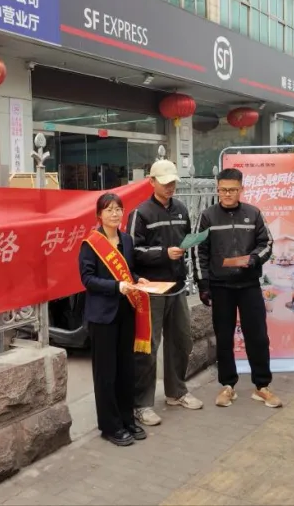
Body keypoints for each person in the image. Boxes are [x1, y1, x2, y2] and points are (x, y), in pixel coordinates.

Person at [195, 167, 282, 409]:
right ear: (217, 189)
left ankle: (262, 386)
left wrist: (253, 259)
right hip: (220, 286)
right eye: (223, 190)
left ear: (241, 189)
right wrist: (203, 284)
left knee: (258, 336)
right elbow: (200, 251)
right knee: (224, 338)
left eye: (232, 190)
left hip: (249, 285)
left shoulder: (253, 214)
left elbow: (267, 243)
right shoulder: (207, 216)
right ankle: (227, 385)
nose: (227, 194)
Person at [128, 159, 202, 427]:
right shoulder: (141, 213)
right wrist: (163, 253)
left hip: (177, 287)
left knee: (181, 342)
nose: (170, 187)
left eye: (173, 183)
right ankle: (141, 404)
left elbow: (187, 241)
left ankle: (176, 392)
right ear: (152, 182)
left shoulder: (181, 209)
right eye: (165, 182)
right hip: (152, 290)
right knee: (148, 348)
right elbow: (132, 252)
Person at [78, 193, 150, 447]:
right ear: (99, 214)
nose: (115, 214)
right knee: (105, 373)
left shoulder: (126, 240)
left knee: (126, 369)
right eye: (109, 210)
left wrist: (138, 280)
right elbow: (87, 280)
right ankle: (110, 426)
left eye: (118, 209)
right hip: (102, 317)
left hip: (125, 312)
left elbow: (129, 272)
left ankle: (127, 419)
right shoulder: (91, 244)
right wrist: (116, 286)